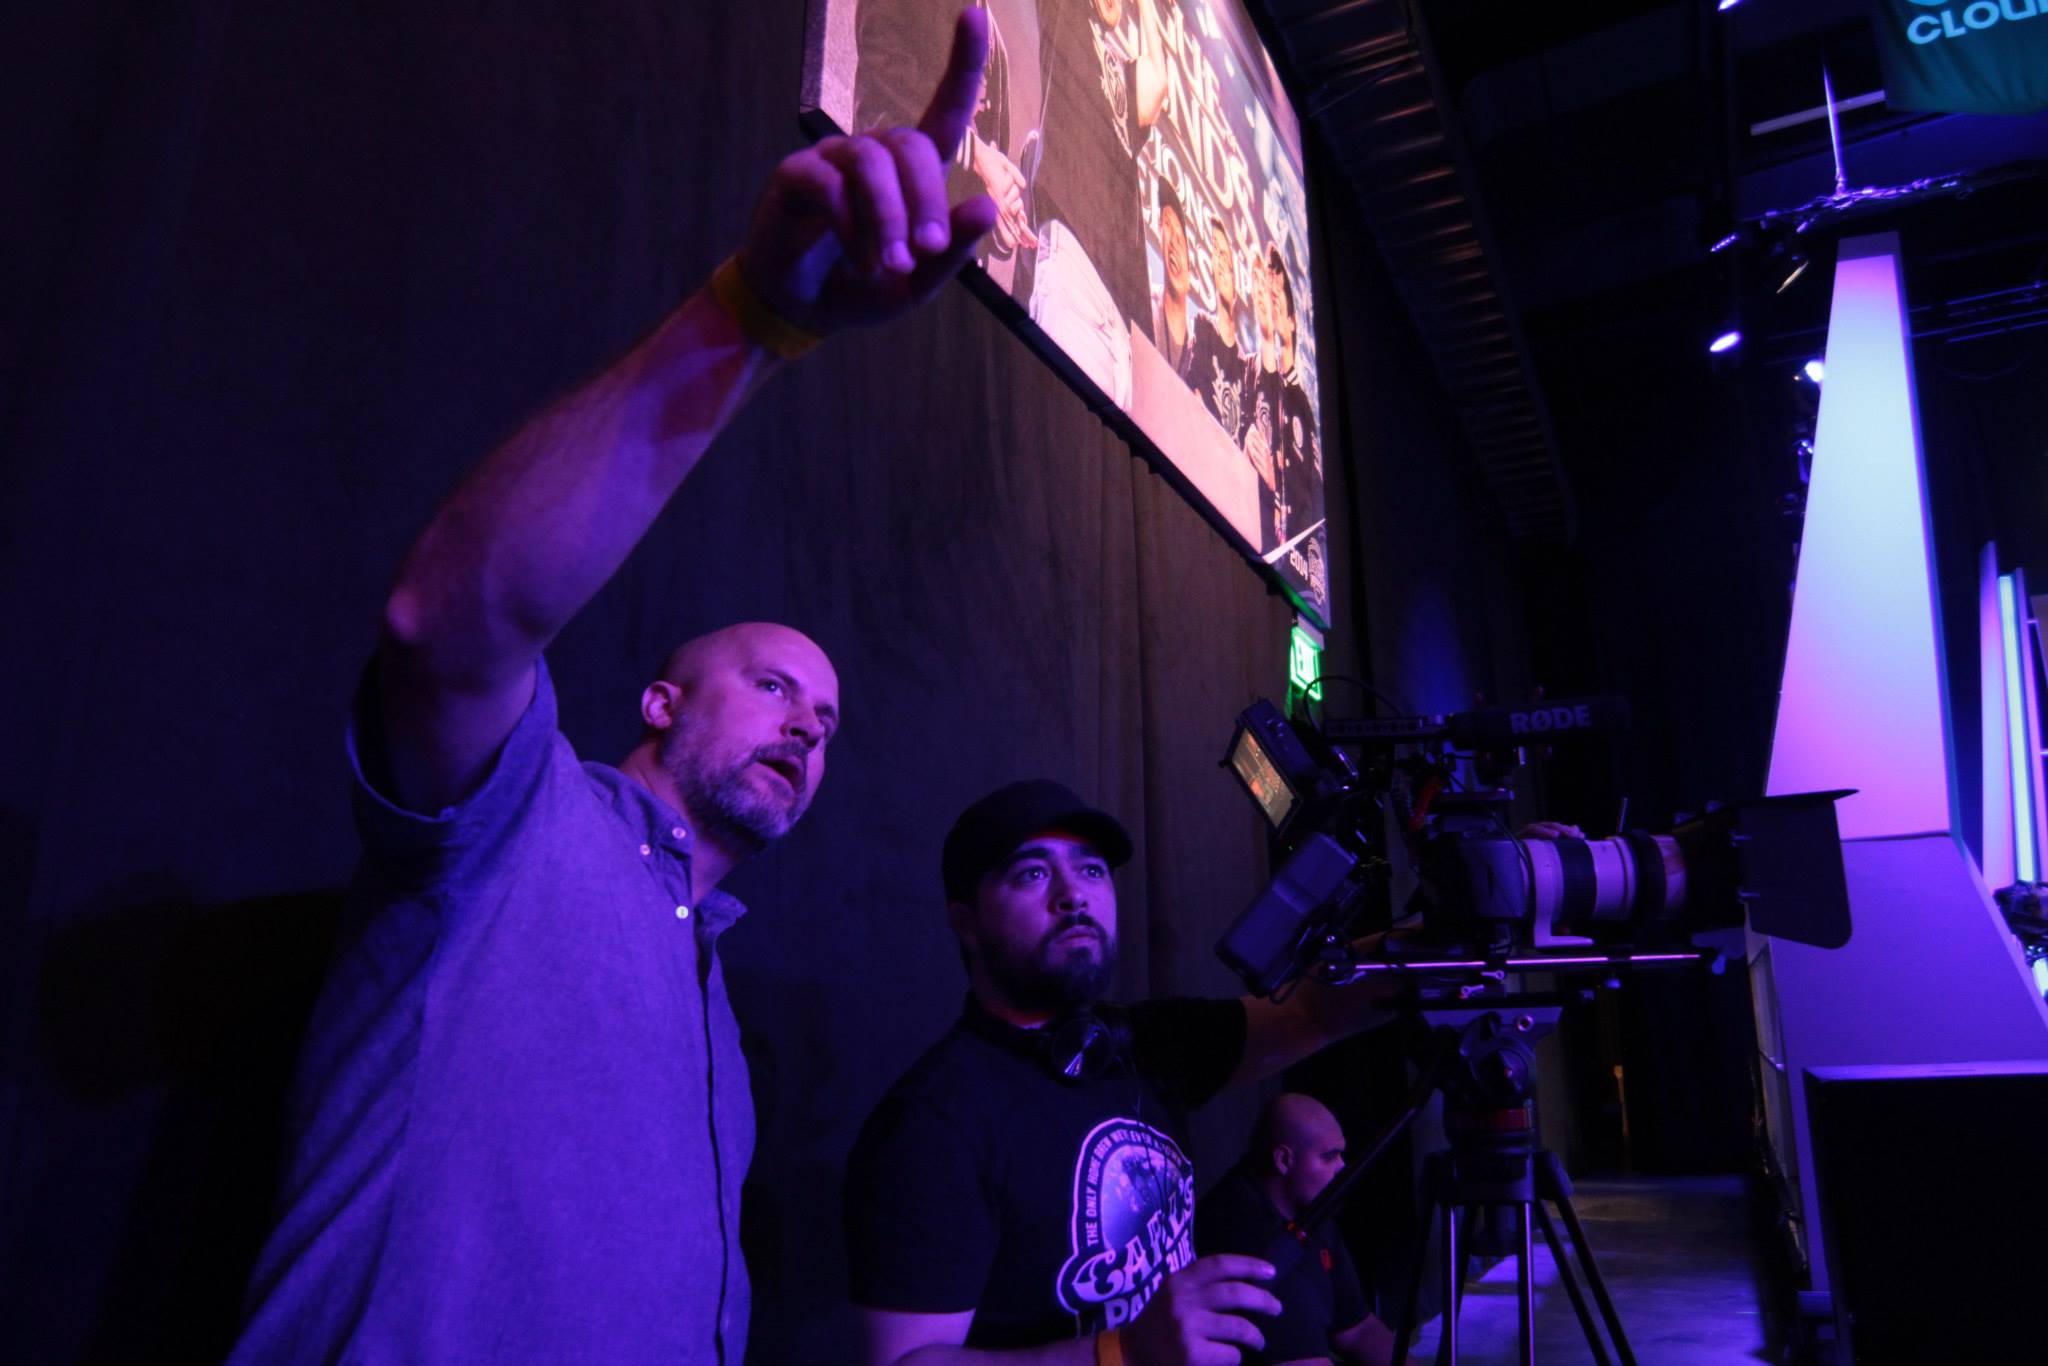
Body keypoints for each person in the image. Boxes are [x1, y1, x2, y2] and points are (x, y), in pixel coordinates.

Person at [227, 13, 1001, 1365]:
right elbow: (448, 619)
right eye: (771, 685)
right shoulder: (515, 821)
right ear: (658, 701)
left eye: (823, 721)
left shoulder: (712, 1007)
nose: (807, 727)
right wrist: (751, 320)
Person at [844, 779, 1402, 1365]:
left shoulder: (1144, 1045)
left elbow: (1315, 1007)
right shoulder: (933, 1122)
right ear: (965, 923)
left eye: (1091, 871)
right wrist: (1121, 1353)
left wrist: (1458, 930)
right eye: (1032, 874)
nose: (1073, 896)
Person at [1196, 1094, 1416, 1366]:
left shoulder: (1312, 1212)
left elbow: (1359, 1330)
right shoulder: (1249, 1236)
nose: (1343, 1168)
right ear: (1284, 1160)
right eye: (1329, 1157)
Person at [1188, 212, 1251, 444]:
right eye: (1216, 253)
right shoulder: (1203, 327)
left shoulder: (1244, 367)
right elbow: (1195, 395)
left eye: (1225, 256)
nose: (1221, 264)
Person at [1151, 180, 1196, 382]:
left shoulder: (1200, 351)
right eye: (1167, 225)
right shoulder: (1144, 303)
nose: (1174, 243)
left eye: (1181, 238)